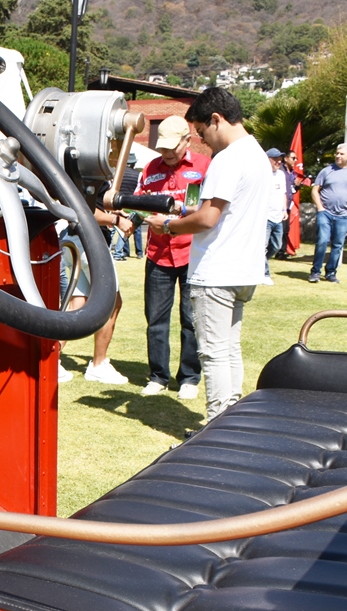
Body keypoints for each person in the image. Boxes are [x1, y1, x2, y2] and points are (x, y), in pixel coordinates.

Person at [144, 88, 272, 422]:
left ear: (216, 120)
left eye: (202, 133)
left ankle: (216, 429)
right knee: (229, 349)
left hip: (217, 272)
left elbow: (207, 218)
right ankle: (231, 421)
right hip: (244, 270)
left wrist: (168, 225)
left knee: (213, 354)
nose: (204, 141)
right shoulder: (257, 154)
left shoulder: (227, 158)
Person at [127, 115, 210, 399]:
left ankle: (189, 377)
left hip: (191, 253)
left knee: (191, 319)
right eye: (163, 148)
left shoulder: (202, 167)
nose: (167, 154)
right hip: (157, 254)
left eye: (172, 148)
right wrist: (131, 220)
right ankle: (158, 376)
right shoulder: (150, 167)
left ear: (187, 141)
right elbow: (139, 201)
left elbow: (196, 208)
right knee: (156, 318)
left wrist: (173, 213)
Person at [58, 208, 134, 384]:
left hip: (73, 239)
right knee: (112, 302)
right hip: (89, 243)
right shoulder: (91, 180)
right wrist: (116, 219)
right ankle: (98, 365)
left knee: (76, 306)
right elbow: (85, 209)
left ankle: (50, 358)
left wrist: (112, 209)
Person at [310, 144, 347, 283]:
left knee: (338, 245)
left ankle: (331, 273)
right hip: (325, 213)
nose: (338, 156)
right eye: (337, 153)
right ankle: (315, 272)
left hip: (342, 215)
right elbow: (314, 190)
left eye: (341, 154)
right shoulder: (326, 171)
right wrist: (320, 208)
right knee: (322, 241)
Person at [265, 148, 288, 263]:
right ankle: (264, 271)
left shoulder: (281, 175)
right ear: (267, 159)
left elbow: (283, 193)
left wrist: (284, 210)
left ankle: (261, 264)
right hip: (265, 217)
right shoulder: (262, 174)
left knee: (277, 246)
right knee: (262, 246)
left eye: (280, 159)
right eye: (275, 159)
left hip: (278, 217)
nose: (279, 162)